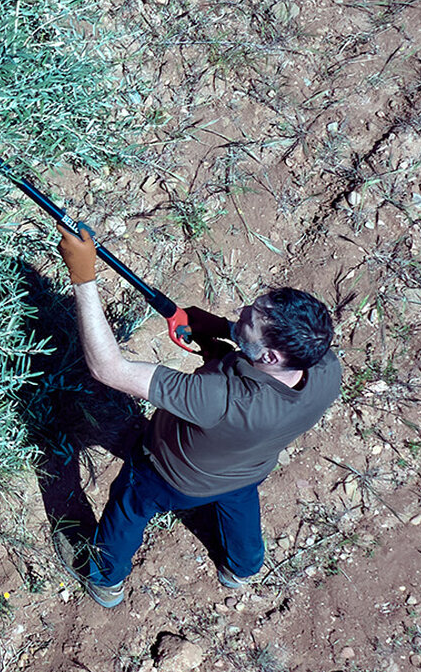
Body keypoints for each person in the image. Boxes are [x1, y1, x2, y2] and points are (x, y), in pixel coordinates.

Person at [55, 226, 341, 607]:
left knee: (130, 505)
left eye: (249, 319)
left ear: (270, 358)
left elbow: (108, 368)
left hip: (171, 475)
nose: (240, 312)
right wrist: (223, 331)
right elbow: (258, 364)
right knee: (238, 502)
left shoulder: (217, 397)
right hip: (247, 469)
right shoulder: (324, 367)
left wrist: (84, 278)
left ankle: (105, 579)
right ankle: (241, 567)